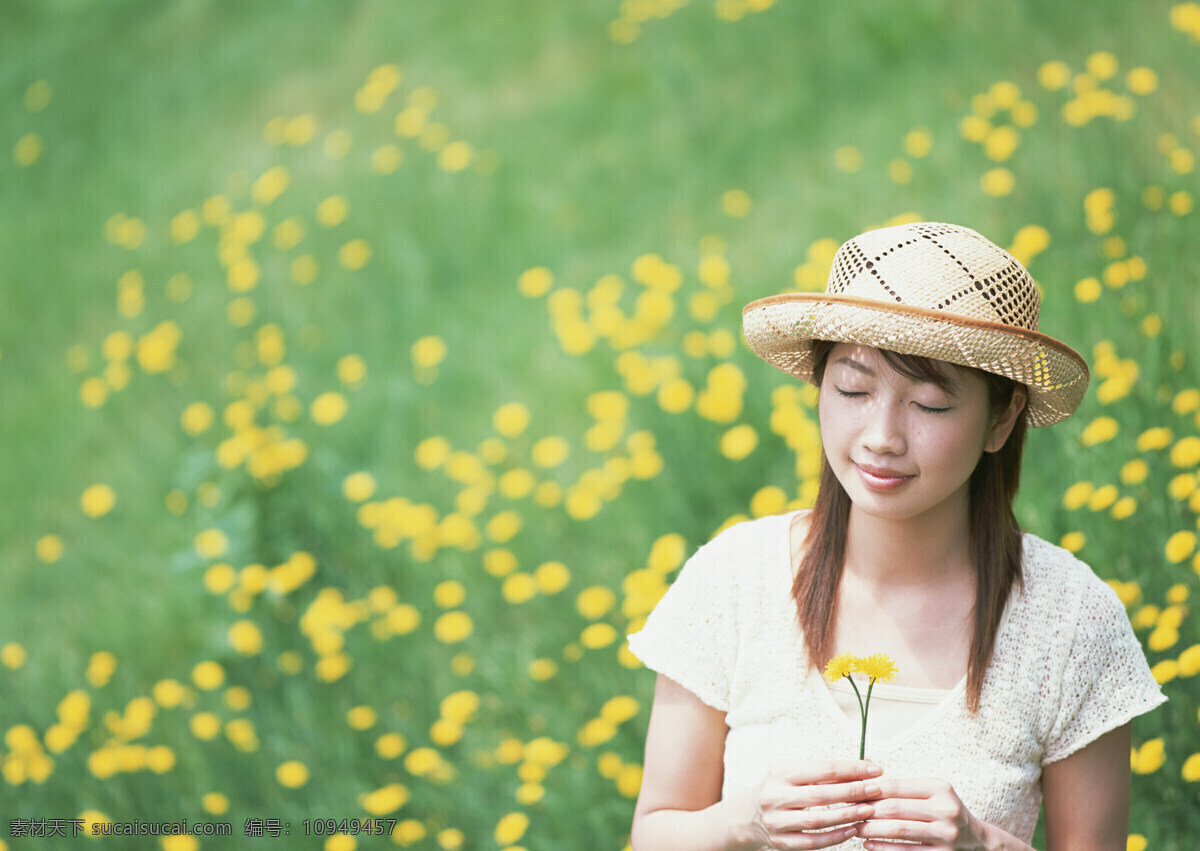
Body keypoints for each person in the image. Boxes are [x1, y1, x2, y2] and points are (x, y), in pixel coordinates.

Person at [626, 221, 1166, 850]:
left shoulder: (1069, 619)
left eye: (930, 403)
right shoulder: (733, 580)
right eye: (853, 388)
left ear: (1002, 417)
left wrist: (981, 843)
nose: (881, 434)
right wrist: (742, 822)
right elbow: (655, 833)